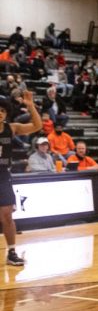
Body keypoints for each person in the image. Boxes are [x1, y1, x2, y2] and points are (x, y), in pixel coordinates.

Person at [0, 93, 40, 265]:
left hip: (3, 175)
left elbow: (37, 126)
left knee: (7, 215)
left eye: (2, 110)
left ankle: (12, 252)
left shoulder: (12, 128)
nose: (0, 113)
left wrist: (30, 106)